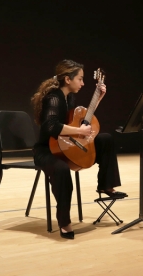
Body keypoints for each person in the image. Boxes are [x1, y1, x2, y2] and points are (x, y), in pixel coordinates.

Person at [31, 59, 126, 239]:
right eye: (80, 79)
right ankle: (64, 222)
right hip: (46, 150)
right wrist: (79, 131)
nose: (83, 83)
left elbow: (79, 120)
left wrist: (97, 99)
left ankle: (106, 186)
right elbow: (50, 126)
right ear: (68, 79)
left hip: (64, 146)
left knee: (105, 139)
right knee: (61, 169)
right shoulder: (54, 98)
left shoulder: (68, 97)